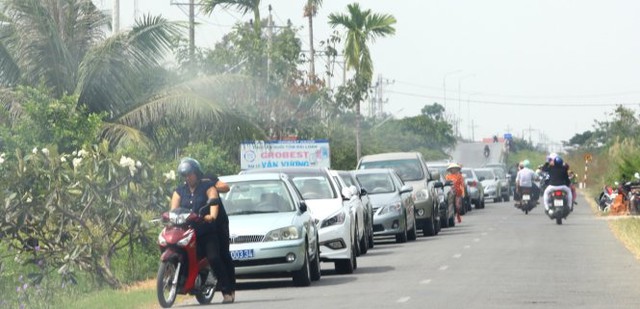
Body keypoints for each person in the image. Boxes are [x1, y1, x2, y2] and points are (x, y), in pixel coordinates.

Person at [170, 158, 235, 304]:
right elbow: (173, 209)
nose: (188, 177)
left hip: (207, 230)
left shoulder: (208, 184)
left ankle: (227, 290)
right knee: (180, 253)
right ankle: (182, 282)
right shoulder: (179, 190)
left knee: (215, 257)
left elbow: (214, 201)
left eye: (190, 174)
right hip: (187, 231)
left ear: (197, 173)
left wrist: (211, 216)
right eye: (185, 175)